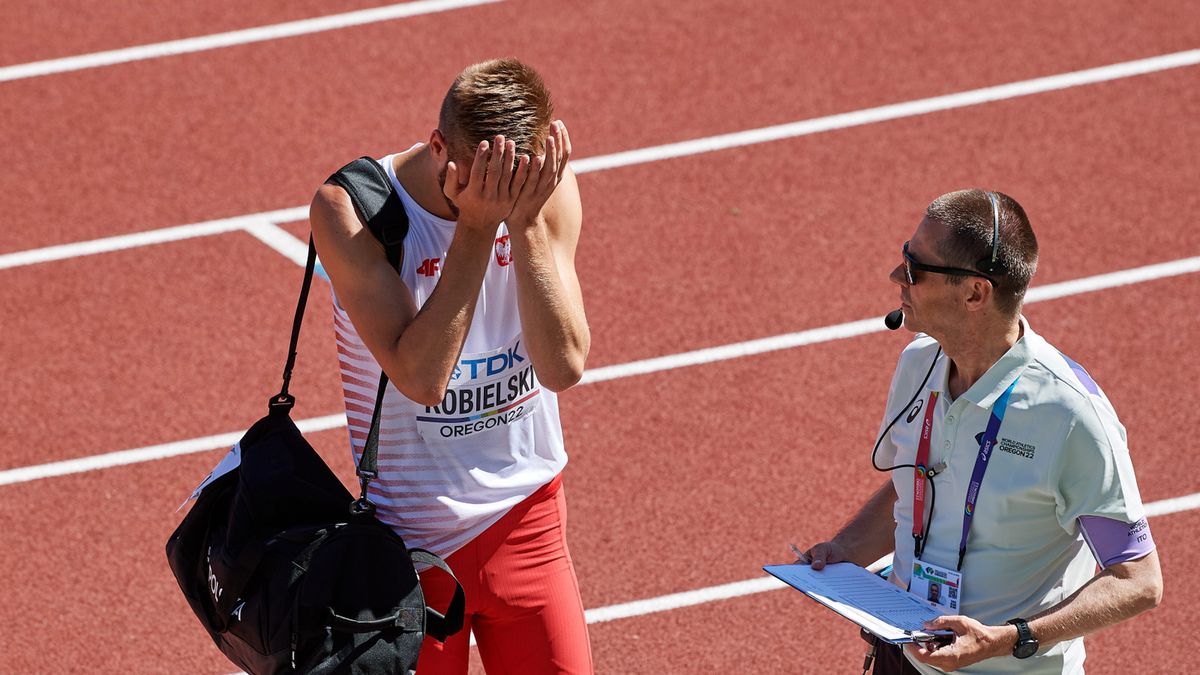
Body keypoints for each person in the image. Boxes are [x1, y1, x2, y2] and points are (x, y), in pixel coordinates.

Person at [796, 189, 1162, 674]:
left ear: (974, 293)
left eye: (914, 268)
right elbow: (920, 480)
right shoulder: (918, 363)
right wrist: (847, 550)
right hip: (904, 659)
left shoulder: (1072, 416)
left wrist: (1010, 638)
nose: (895, 277)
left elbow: (1138, 580)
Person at [309, 58, 592, 674]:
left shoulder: (544, 189)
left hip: (531, 522)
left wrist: (524, 224)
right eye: (491, 178)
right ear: (439, 147)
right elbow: (421, 379)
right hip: (410, 549)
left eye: (521, 178)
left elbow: (564, 366)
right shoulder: (352, 210)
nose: (508, 189)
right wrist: (477, 227)